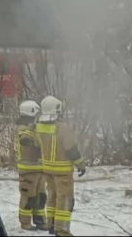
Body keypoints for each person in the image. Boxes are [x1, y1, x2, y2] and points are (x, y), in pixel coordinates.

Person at [36, 95, 85, 236]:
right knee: (64, 200)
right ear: (56, 110)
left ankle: (51, 225)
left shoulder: (39, 127)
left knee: (52, 197)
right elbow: (71, 149)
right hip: (62, 172)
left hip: (47, 170)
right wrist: (81, 165)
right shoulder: (62, 128)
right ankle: (62, 230)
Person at [16, 99, 49, 231]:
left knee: (40, 197)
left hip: (38, 170)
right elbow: (29, 146)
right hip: (28, 171)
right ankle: (25, 223)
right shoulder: (24, 132)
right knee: (28, 198)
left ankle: (40, 220)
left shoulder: (33, 130)